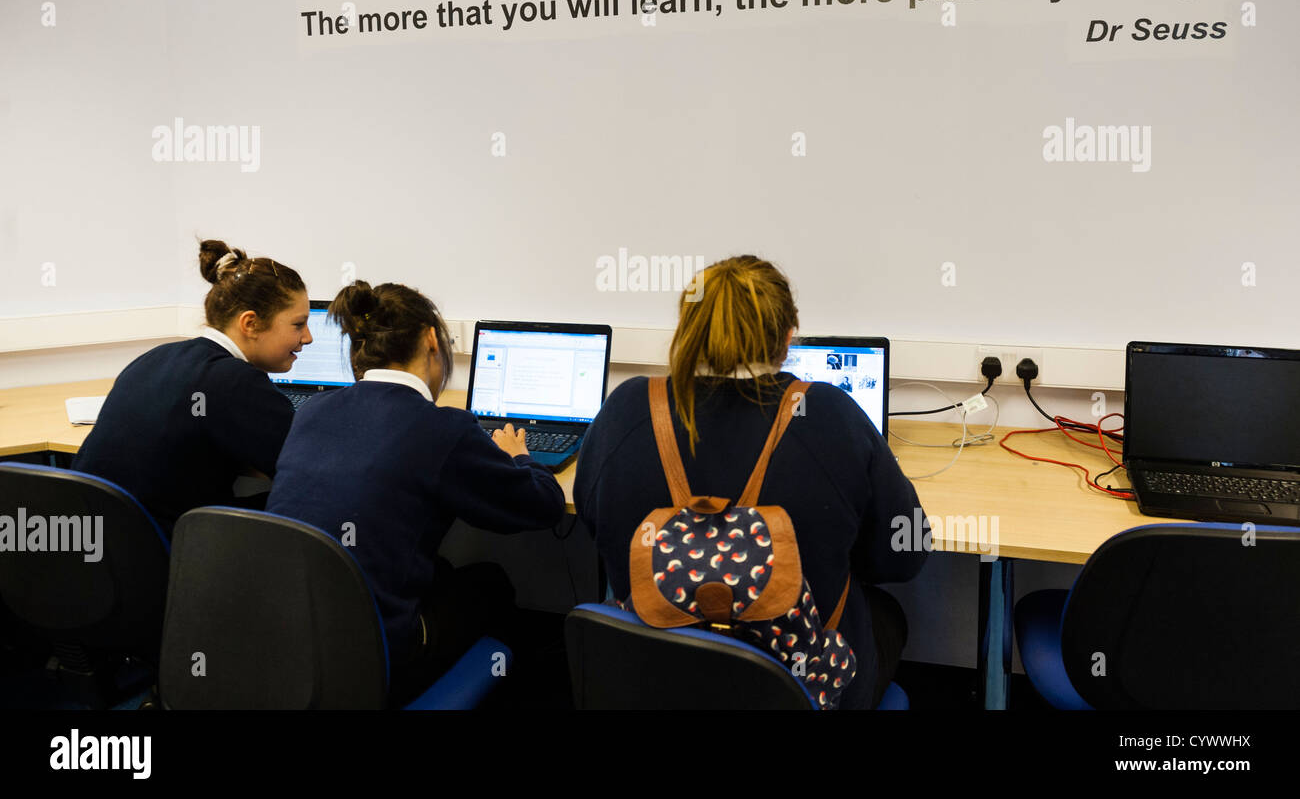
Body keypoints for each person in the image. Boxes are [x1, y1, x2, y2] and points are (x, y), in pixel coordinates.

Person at [574, 254, 927, 709]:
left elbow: (594, 525)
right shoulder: (830, 414)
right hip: (796, 687)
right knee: (887, 616)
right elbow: (905, 556)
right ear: (787, 336)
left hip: (655, 680)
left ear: (689, 331)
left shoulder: (624, 409)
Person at [265, 281, 565, 704]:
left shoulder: (313, 411)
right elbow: (545, 506)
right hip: (376, 658)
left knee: (437, 568)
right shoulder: (441, 427)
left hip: (285, 641)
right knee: (492, 583)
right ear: (430, 339)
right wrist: (520, 457)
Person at [74, 240, 307, 536]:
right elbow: (305, 465)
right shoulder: (234, 380)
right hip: (160, 552)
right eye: (298, 325)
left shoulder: (156, 357)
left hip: (95, 546)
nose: (308, 337)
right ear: (250, 323)